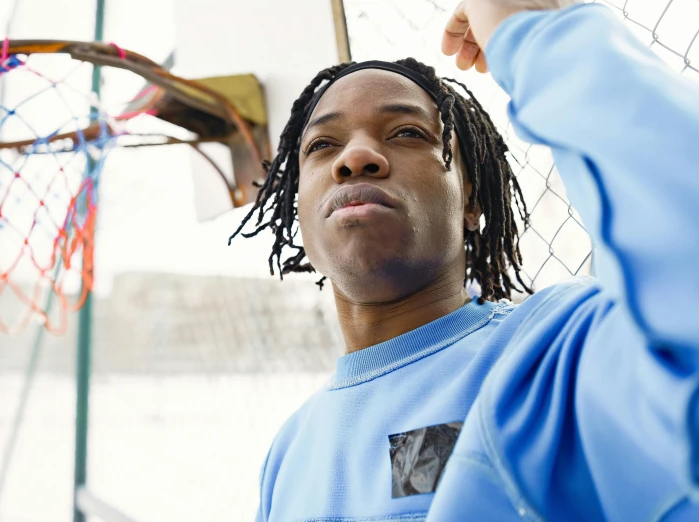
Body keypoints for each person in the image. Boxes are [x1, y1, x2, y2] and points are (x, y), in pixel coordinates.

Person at [229, 0, 699, 519]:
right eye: (322, 145)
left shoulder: (546, 355)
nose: (355, 157)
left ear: (471, 198)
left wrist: (535, 35)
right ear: (297, 208)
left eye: (407, 133)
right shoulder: (291, 450)